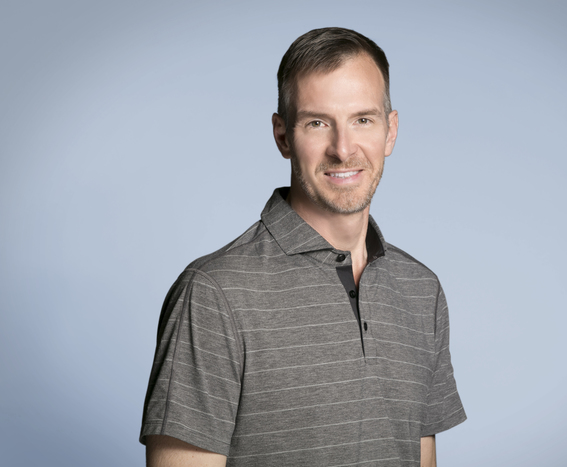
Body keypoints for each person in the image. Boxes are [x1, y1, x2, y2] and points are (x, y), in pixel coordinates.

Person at [140, 27, 466, 466]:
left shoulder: (421, 290)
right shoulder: (213, 294)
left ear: (390, 132)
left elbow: (419, 456)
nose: (343, 149)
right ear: (282, 136)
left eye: (363, 120)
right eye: (317, 123)